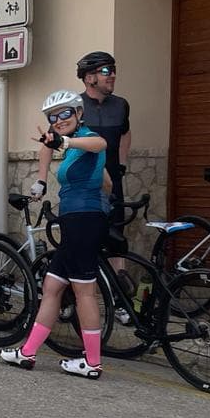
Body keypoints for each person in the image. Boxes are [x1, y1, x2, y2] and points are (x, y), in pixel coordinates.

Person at [0, 91, 111, 378]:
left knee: (84, 291)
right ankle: (27, 353)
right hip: (76, 220)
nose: (58, 120)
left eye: (65, 114)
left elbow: (101, 143)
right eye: (53, 116)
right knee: (51, 286)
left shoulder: (86, 138)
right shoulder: (72, 144)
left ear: (78, 113)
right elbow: (106, 181)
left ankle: (93, 362)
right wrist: (40, 178)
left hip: (83, 221)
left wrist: (65, 141)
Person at [75, 50, 131, 271]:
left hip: (113, 183)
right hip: (84, 185)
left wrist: (122, 163)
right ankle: (86, 293)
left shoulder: (121, 105)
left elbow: (126, 132)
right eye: (106, 70)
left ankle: (120, 297)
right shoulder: (75, 105)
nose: (112, 75)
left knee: (116, 238)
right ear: (89, 78)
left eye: (114, 70)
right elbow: (53, 141)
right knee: (85, 240)